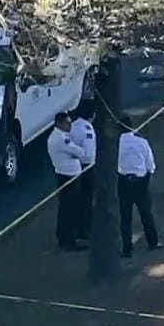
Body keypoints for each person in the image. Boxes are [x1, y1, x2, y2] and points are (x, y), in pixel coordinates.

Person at [117, 115, 161, 258]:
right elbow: (151, 165)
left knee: (125, 216)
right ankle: (153, 242)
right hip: (141, 181)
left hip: (123, 181)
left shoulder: (115, 143)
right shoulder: (141, 142)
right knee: (146, 213)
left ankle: (126, 248)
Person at [47, 112, 86, 252]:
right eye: (67, 123)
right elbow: (80, 152)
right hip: (69, 177)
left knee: (65, 209)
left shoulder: (57, 137)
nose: (70, 126)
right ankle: (69, 241)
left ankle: (63, 237)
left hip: (65, 175)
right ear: (59, 123)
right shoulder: (62, 139)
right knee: (69, 210)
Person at [69, 101, 96, 240]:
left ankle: (74, 229)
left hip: (71, 167)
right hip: (86, 169)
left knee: (74, 200)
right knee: (86, 200)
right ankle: (84, 230)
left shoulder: (71, 127)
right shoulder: (87, 128)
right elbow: (88, 154)